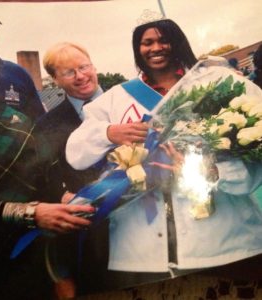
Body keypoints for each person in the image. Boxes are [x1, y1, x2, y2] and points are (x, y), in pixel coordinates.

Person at [66, 16, 262, 294]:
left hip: (226, 243)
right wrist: (110, 132)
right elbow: (76, 152)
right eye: (147, 42)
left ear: (178, 42)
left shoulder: (220, 82)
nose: (155, 47)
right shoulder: (115, 98)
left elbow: (256, 152)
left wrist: (213, 172)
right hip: (141, 253)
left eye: (163, 40)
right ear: (138, 49)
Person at [0, 46, 95, 300]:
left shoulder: (17, 125)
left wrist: (63, 197)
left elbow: (46, 180)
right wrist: (28, 212)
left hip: (20, 261)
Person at [36, 42, 104, 298]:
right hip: (89, 233)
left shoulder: (126, 101)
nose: (81, 76)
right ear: (55, 80)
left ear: (93, 65)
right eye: (69, 72)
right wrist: (61, 196)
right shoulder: (47, 125)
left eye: (84, 66)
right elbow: (44, 176)